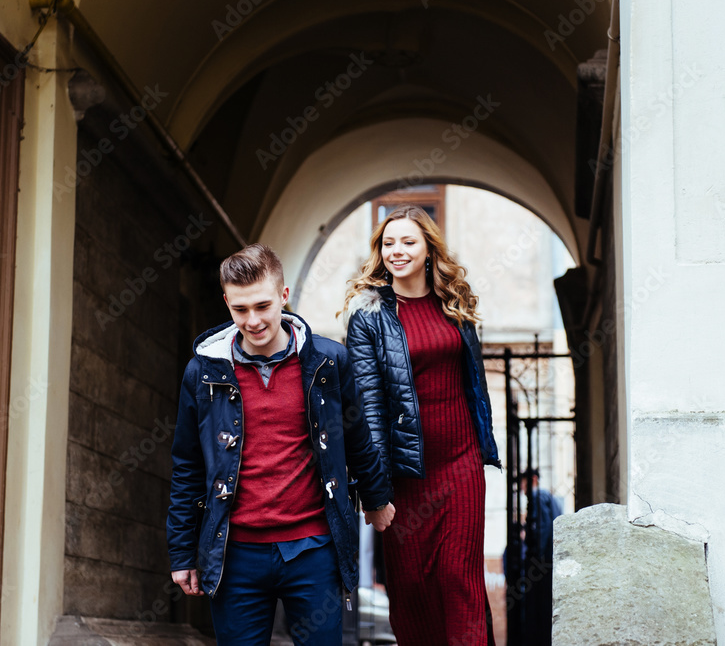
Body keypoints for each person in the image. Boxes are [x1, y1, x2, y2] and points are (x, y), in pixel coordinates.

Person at [167, 243, 396, 645]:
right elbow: (188, 464)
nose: (253, 320)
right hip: (235, 554)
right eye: (240, 309)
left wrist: (376, 499)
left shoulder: (328, 362)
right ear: (227, 303)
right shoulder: (202, 373)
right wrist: (182, 552)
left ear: (283, 296)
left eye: (263, 306)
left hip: (314, 548)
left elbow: (357, 438)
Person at [342, 206, 501, 645]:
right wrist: (374, 492)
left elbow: (473, 384)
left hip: (460, 462)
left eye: (408, 242)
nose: (397, 251)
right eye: (388, 243)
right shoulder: (369, 316)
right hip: (404, 475)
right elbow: (367, 408)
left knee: (459, 578)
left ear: (429, 249)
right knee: (411, 589)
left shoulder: (455, 303)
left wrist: (482, 446)